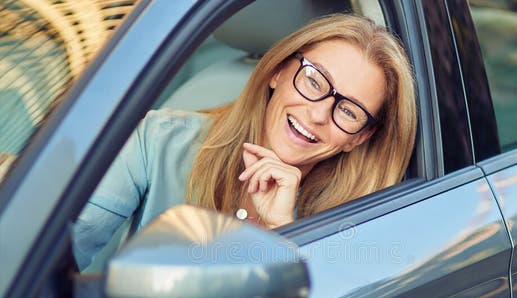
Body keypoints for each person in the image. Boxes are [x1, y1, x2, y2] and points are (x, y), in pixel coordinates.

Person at [73, 14, 417, 270]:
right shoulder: (157, 141)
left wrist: (285, 231)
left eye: (349, 110)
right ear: (277, 71)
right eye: (314, 81)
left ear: (358, 138)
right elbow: (61, 252)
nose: (318, 114)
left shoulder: (364, 221)